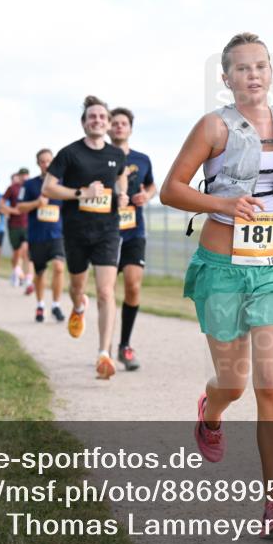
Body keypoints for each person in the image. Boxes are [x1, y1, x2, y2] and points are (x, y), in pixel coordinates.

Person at [159, 33, 273, 539]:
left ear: (271, 72)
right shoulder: (212, 127)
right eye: (242, 69)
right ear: (226, 78)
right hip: (222, 267)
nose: (253, 75)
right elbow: (170, 189)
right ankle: (210, 412)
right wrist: (221, 204)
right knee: (232, 384)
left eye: (260, 66)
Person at [42, 95, 129, 380]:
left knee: (106, 291)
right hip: (76, 231)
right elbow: (49, 188)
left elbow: (121, 176)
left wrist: (123, 194)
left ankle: (104, 353)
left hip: (107, 230)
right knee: (77, 286)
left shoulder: (116, 154)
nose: (98, 121)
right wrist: (81, 193)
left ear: (107, 123)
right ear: (84, 122)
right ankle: (79, 306)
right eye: (92, 117)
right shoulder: (69, 153)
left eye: (102, 117)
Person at [108, 106, 156, 371]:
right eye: (114, 123)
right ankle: (104, 347)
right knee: (106, 292)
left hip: (134, 231)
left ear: (130, 128)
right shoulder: (98, 158)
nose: (118, 127)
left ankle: (124, 345)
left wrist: (146, 196)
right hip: (106, 233)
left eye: (123, 123)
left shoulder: (143, 158)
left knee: (132, 286)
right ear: (108, 128)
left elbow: (152, 185)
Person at [17, 150, 67, 324]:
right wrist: (36, 203)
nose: (46, 164)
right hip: (37, 236)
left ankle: (56, 304)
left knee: (59, 267)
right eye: (43, 161)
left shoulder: (62, 183)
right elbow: (20, 207)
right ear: (38, 164)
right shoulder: (29, 185)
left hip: (57, 234)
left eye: (49, 161)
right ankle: (40, 305)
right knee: (40, 273)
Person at [4, 168, 34, 291]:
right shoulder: (12, 189)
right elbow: (2, 205)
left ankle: (28, 279)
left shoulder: (31, 187)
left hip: (28, 224)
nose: (24, 177)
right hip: (14, 225)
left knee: (26, 251)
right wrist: (12, 211)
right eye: (22, 175)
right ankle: (17, 272)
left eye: (26, 175)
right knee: (17, 253)